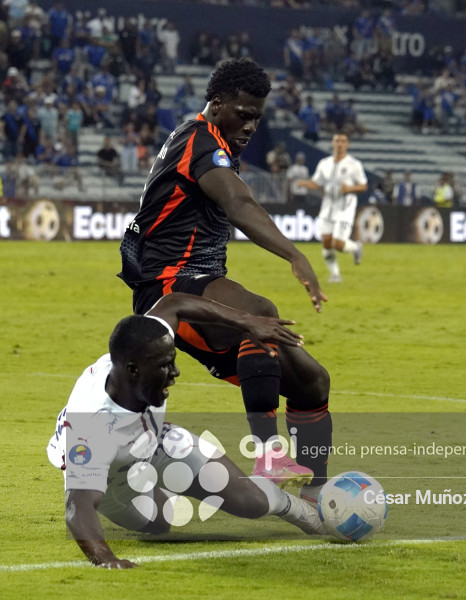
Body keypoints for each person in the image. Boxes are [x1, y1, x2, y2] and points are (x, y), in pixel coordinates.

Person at [118, 58, 330, 502]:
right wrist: (294, 255)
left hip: (200, 281)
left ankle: (316, 494)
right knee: (258, 312)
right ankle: (269, 456)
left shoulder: (209, 142)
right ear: (216, 104)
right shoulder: (200, 141)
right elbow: (239, 203)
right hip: (168, 286)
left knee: (312, 382)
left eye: (258, 117)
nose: (251, 125)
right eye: (244, 114)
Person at [46, 292, 325, 569]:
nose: (176, 372)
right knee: (161, 522)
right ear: (133, 371)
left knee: (250, 501)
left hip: (154, 441)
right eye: (165, 365)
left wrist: (247, 321)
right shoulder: (91, 432)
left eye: (173, 359)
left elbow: (174, 303)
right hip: (115, 478)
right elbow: (77, 508)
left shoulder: (142, 345)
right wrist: (106, 561)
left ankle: (312, 515)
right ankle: (160, 488)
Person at [296, 132, 367, 283]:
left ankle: (355, 247)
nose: (339, 144)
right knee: (327, 243)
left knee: (338, 244)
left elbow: (363, 185)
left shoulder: (354, 164)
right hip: (327, 207)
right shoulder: (325, 163)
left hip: (345, 208)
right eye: (337, 141)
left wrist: (349, 189)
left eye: (343, 141)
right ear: (332, 144)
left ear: (347, 145)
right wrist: (304, 183)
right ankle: (335, 275)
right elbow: (317, 183)